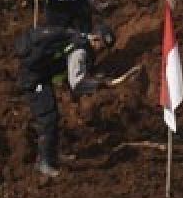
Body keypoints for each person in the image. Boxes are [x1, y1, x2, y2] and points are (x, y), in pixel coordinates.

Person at [14, 24, 116, 178]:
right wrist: (99, 85)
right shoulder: (81, 50)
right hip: (34, 79)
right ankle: (44, 162)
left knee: (52, 116)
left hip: (41, 76)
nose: (99, 51)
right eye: (101, 46)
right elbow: (77, 84)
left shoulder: (76, 36)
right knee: (48, 119)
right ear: (95, 38)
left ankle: (52, 156)